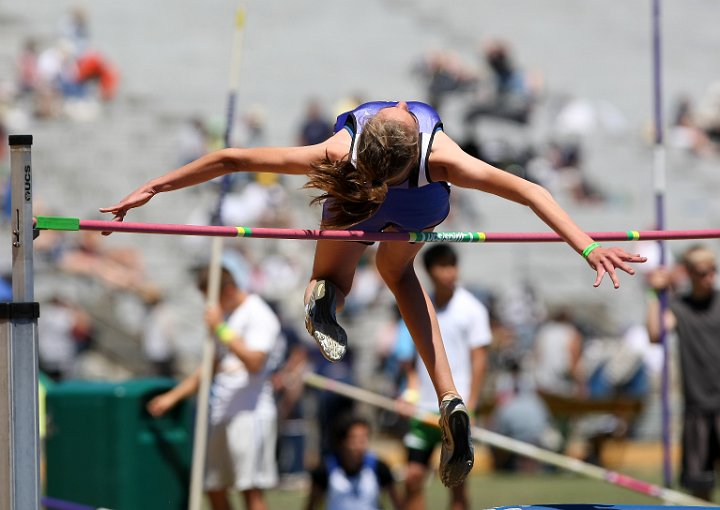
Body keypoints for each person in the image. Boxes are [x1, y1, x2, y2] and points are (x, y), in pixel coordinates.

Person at [101, 99, 646, 487]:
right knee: (402, 276)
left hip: (353, 193)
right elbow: (530, 190)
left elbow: (233, 159)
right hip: (420, 203)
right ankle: (449, 396)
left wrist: (155, 187)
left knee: (338, 261)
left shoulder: (342, 148)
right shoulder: (441, 155)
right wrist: (587, 246)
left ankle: (327, 293)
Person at [147, 266, 283, 510]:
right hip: (223, 410)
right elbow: (210, 367)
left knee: (249, 489)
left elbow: (254, 362)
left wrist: (220, 328)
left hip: (249, 412)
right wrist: (173, 397)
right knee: (213, 485)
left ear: (228, 291)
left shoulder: (258, 314)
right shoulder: (231, 317)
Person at [399, 244, 491, 510]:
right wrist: (410, 391)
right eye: (442, 266)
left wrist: (471, 403)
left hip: (456, 409)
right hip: (423, 408)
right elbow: (408, 357)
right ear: (429, 271)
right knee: (413, 477)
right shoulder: (419, 306)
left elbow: (480, 360)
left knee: (457, 481)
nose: (449, 272)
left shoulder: (472, 309)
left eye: (452, 265)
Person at [646, 244, 720, 501]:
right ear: (689, 273)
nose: (709, 277)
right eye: (702, 272)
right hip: (698, 406)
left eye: (713, 270)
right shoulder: (680, 307)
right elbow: (656, 334)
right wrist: (656, 293)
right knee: (699, 486)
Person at [305, 414, 401, 510]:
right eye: (354, 439)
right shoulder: (326, 469)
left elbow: (397, 504)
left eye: (363, 439)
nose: (359, 446)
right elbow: (311, 505)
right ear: (342, 441)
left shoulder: (379, 467)